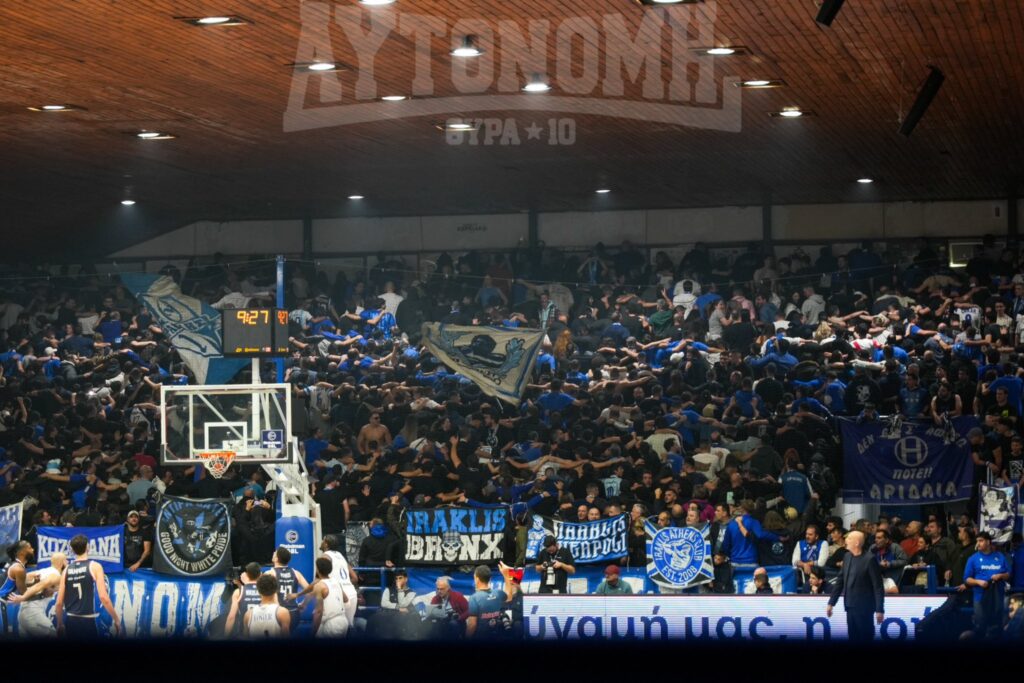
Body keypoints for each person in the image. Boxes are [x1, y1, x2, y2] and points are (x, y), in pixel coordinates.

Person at [55, 533, 121, 638]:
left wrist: (59, 624)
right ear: (87, 547)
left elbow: (59, 603)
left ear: (72, 550)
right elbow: (104, 597)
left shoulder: (66, 570)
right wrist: (116, 619)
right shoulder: (95, 566)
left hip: (71, 620)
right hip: (89, 620)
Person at [827, 530, 884, 643]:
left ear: (857, 543)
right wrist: (831, 603)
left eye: (849, 538)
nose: (846, 540)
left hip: (865, 608)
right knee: (853, 638)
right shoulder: (847, 556)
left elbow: (878, 586)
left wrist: (879, 609)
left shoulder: (869, 559)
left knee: (865, 639)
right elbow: (840, 581)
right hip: (849, 605)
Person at [961, 530, 1011, 639]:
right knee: (981, 625)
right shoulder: (973, 559)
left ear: (988, 542)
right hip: (980, 597)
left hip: (998, 596)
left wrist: (1000, 576)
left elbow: (1008, 574)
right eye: (977, 541)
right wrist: (978, 582)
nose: (978, 543)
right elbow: (966, 579)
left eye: (981, 541)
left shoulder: (1000, 556)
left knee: (997, 627)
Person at [9, 552, 67, 637]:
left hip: (22, 615)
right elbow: (40, 586)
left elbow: (22, 578)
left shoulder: (42, 572)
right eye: (66, 560)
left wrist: (33, 583)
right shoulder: (56, 575)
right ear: (63, 562)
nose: (67, 563)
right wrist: (23, 597)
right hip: (33, 614)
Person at [268, 546, 309, 633]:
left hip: (279, 612)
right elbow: (310, 590)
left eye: (275, 553)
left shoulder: (270, 573)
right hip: (294, 612)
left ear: (276, 559)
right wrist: (304, 604)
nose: (273, 553)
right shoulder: (296, 573)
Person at [465, 565, 507, 639]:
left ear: (477, 579)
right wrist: (506, 575)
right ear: (490, 579)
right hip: (497, 637)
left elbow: (472, 625)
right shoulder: (498, 593)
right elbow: (509, 595)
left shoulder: (474, 598)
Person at [311, 556, 349, 638]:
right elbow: (346, 599)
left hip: (331, 624)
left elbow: (318, 612)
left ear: (318, 570)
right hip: (343, 621)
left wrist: (313, 631)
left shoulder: (319, 585)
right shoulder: (336, 581)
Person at [244, 573, 290, 638]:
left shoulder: (248, 614)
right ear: (275, 591)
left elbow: (245, 638)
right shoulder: (283, 612)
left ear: (258, 591)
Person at [224, 562, 263, 635]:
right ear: (261, 574)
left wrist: (226, 636)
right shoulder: (265, 591)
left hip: (244, 633)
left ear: (246, 575)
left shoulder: (239, 591)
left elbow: (231, 617)